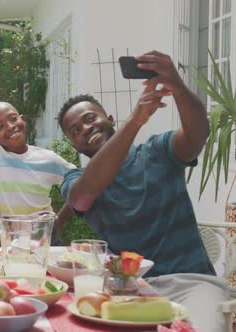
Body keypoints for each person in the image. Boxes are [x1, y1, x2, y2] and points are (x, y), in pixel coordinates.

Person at [58, 50, 228, 331]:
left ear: (109, 118)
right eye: (75, 131)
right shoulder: (75, 179)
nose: (86, 129)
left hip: (190, 283)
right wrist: (134, 122)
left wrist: (177, 86)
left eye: (90, 118)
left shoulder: (158, 151)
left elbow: (197, 134)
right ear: (75, 146)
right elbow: (84, 194)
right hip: (125, 291)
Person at [0, 102, 76, 236]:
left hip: (41, 240)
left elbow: (81, 184)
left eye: (13, 119)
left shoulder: (48, 159)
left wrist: (58, 221)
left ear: (22, 119)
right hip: (8, 240)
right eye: (0, 126)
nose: (10, 126)